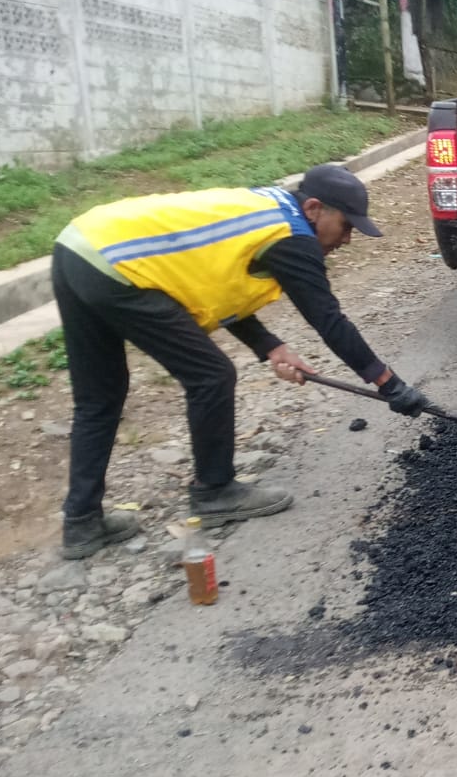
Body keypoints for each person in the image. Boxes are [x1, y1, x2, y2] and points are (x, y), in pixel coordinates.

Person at [50, 166, 431, 559]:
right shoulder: (291, 237)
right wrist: (389, 385)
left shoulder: (269, 212)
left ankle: (81, 523)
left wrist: (271, 346)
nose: (347, 239)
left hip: (79, 246)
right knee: (211, 376)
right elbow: (329, 321)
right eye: (346, 226)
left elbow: (215, 281)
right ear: (315, 209)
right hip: (116, 266)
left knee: (99, 397)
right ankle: (215, 492)